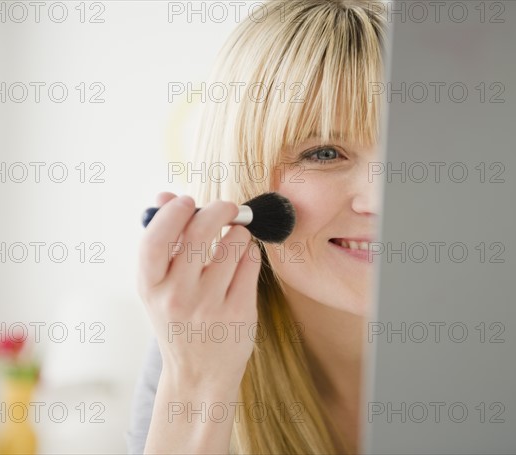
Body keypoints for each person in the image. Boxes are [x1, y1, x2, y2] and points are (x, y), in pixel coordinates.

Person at [128, 1, 387, 453]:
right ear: (242, 180)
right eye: (325, 153)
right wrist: (198, 385)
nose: (382, 199)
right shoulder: (195, 346)